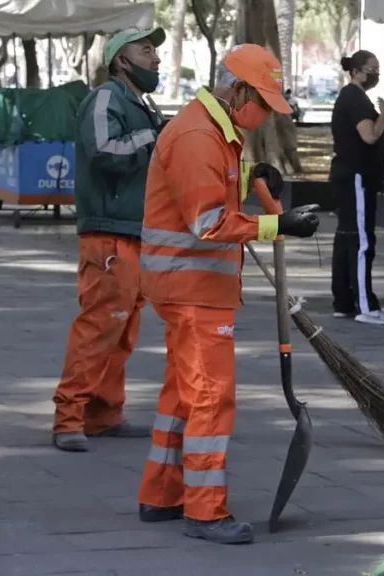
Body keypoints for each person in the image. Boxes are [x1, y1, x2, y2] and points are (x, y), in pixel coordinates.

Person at [135, 44, 320, 545]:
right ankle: (205, 510)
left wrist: (252, 176)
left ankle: (161, 494)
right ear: (237, 90)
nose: (263, 117)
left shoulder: (217, 130)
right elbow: (207, 221)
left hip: (187, 283)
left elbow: (212, 190)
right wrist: (276, 223)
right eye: (261, 104)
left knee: (182, 394)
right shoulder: (198, 135)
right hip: (193, 286)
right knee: (212, 399)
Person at [51, 27, 166, 453]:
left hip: (134, 232)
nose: (156, 59)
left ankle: (103, 414)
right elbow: (103, 150)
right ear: (121, 59)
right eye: (147, 50)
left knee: (123, 329)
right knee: (100, 326)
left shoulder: (139, 103)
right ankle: (69, 416)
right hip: (109, 235)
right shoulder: (105, 98)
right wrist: (154, 137)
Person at [329, 50, 384, 325]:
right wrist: (383, 114)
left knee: (347, 236)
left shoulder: (351, 97)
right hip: (356, 176)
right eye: (372, 68)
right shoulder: (355, 99)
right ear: (356, 71)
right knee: (360, 240)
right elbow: (369, 136)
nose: (376, 74)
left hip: (349, 175)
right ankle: (364, 305)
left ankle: (343, 301)